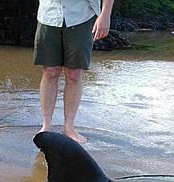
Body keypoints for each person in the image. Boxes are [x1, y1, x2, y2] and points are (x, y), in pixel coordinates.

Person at [34, 0, 114, 143]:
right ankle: (46, 126)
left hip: (81, 15)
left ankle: (69, 128)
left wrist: (105, 13)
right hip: (48, 14)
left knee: (74, 74)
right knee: (50, 71)